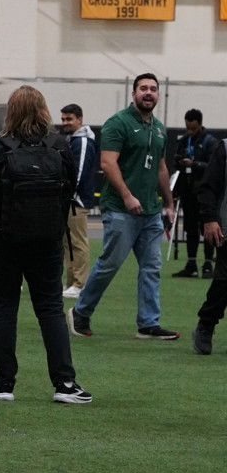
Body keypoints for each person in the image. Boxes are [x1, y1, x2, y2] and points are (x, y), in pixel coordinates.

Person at [0, 86, 90, 405]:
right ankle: (64, 382)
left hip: (3, 241)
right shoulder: (59, 145)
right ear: (44, 110)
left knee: (3, 307)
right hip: (47, 240)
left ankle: (4, 384)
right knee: (50, 308)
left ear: (10, 112)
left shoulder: (0, 147)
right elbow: (71, 188)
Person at [70, 73, 178, 341]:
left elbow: (161, 168)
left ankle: (148, 323)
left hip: (151, 211)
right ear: (133, 93)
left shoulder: (159, 129)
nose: (149, 92)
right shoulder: (117, 123)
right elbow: (107, 163)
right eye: (143, 88)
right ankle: (80, 312)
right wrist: (128, 196)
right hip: (120, 208)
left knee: (152, 267)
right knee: (110, 263)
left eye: (153, 89)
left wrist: (169, 203)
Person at [190, 134, 227, 354]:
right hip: (226, 226)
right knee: (224, 281)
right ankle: (206, 324)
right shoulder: (224, 148)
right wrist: (210, 219)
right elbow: (208, 187)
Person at [58, 103, 98, 298]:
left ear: (79, 119)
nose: (65, 122)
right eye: (63, 119)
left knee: (77, 242)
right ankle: (71, 282)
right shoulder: (72, 139)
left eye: (69, 119)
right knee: (68, 243)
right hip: (70, 200)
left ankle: (80, 284)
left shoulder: (82, 141)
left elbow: (78, 172)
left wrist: (69, 194)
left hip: (76, 200)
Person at [172, 109, 216, 280]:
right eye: (187, 128)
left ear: (199, 124)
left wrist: (194, 164)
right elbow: (176, 164)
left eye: (193, 128)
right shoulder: (183, 141)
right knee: (190, 229)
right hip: (188, 191)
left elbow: (213, 166)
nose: (189, 131)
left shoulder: (210, 142)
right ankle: (191, 265)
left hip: (204, 193)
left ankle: (208, 265)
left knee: (207, 229)